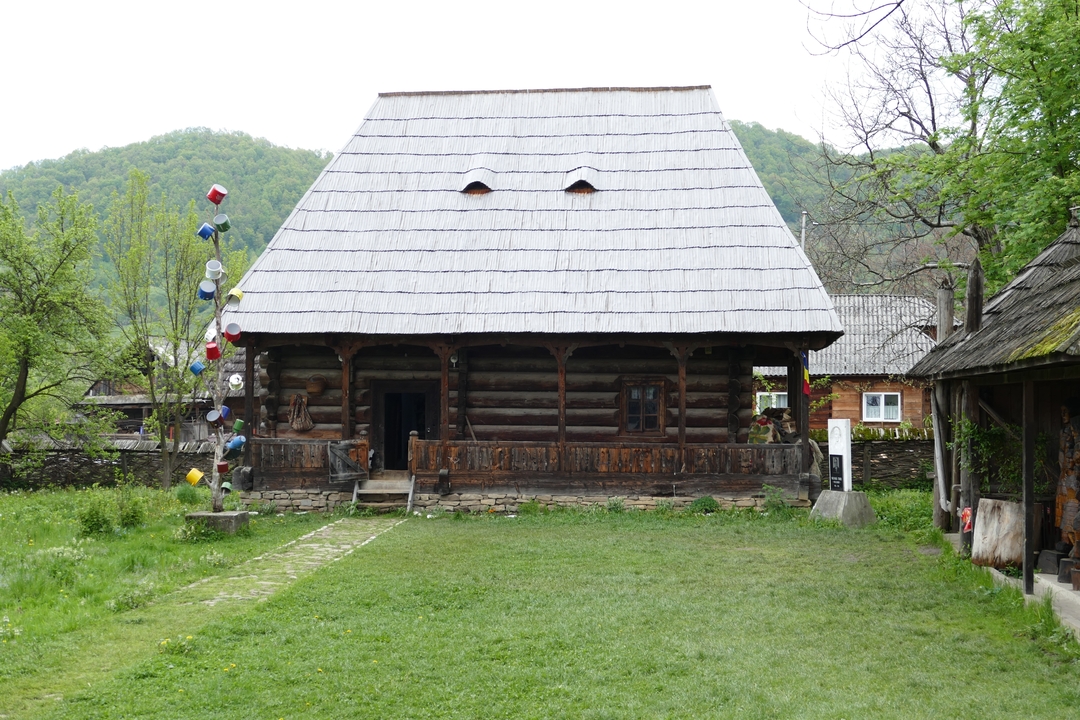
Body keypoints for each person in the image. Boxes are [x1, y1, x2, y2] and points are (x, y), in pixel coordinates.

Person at [1055, 398, 1080, 541]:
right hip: (1064, 474)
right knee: (1062, 507)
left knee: (1072, 507)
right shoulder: (1063, 432)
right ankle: (1065, 539)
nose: (1063, 415)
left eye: (1066, 411)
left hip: (1073, 476)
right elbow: (1062, 454)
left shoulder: (1075, 430)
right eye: (1061, 412)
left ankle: (1072, 541)